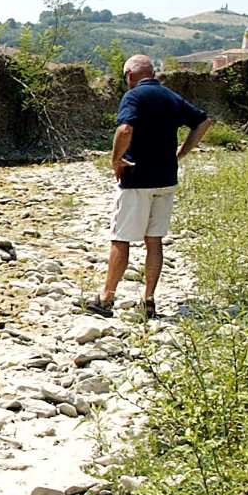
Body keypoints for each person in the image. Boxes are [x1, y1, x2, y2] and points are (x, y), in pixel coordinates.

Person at [83, 54, 213, 319]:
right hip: (166, 179)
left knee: (120, 238)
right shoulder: (170, 97)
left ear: (130, 75)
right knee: (154, 241)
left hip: (137, 180)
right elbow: (203, 121)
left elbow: (125, 129)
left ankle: (106, 299)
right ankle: (148, 301)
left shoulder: (133, 97)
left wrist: (116, 159)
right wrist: (183, 152)